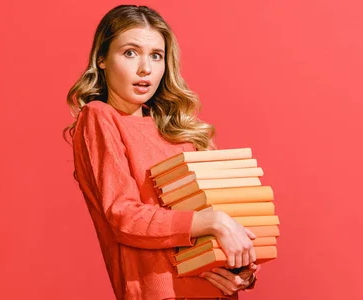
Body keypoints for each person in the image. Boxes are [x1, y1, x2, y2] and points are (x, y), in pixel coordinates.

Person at [64, 5, 260, 300]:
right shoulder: (99, 116)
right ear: (102, 59)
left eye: (156, 55)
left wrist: (240, 272)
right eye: (130, 52)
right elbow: (124, 217)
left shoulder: (178, 129)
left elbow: (220, 217)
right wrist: (213, 222)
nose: (145, 68)